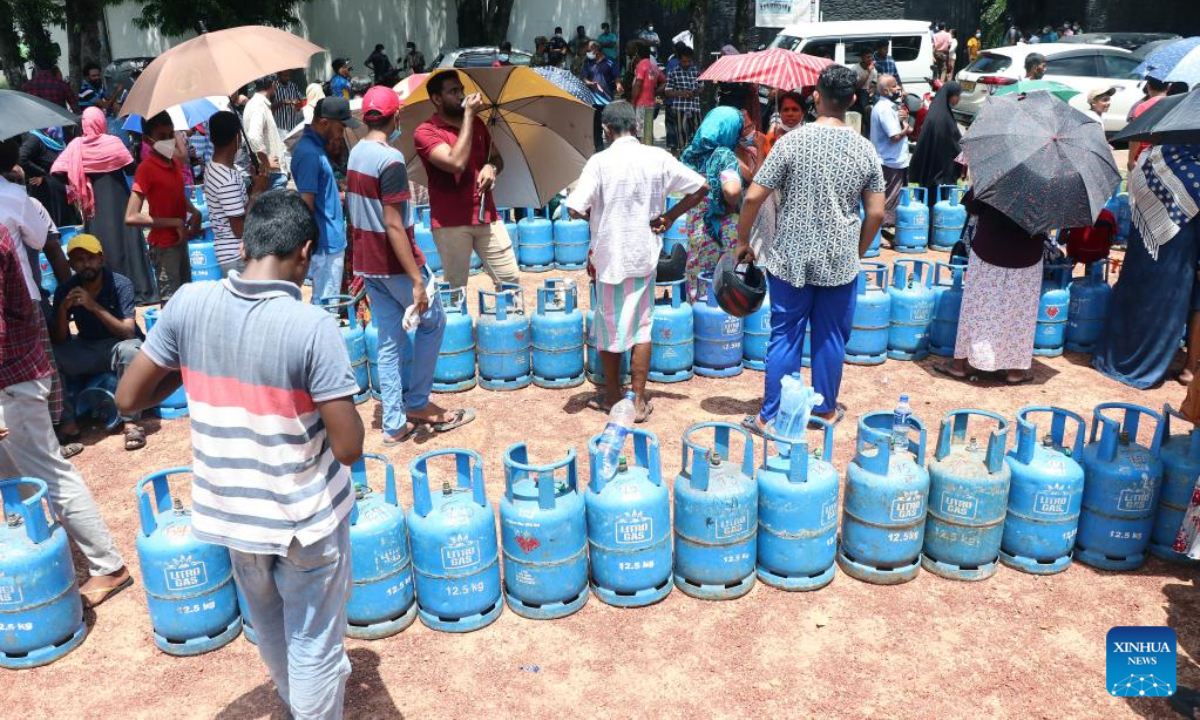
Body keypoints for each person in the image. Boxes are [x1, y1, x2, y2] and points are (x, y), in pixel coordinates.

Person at [115, 189, 364, 720]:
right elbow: (349, 447)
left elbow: (128, 398)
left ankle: (301, 703)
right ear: (304, 252)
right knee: (315, 643)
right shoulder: (311, 326)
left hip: (233, 516)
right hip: (304, 520)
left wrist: (191, 368)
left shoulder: (189, 302)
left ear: (247, 243)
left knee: (271, 627)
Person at [736, 64, 886, 431]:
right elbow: (877, 212)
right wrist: (858, 252)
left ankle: (770, 417)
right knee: (831, 336)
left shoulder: (790, 142)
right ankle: (824, 410)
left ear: (816, 96)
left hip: (790, 258)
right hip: (840, 260)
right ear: (852, 101)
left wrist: (743, 240)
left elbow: (753, 196)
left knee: (785, 335)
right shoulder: (865, 149)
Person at [0, 224, 132, 607]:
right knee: (13, 480)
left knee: (48, 474)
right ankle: (35, 561)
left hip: (12, 380)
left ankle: (108, 565)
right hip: (16, 375)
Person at [566, 101, 707, 419]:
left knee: (610, 328)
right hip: (645, 254)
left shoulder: (599, 162)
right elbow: (701, 187)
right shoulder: (657, 157)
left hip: (611, 258)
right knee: (642, 327)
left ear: (607, 130)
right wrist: (669, 216)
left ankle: (614, 397)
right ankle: (639, 400)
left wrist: (590, 210)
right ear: (634, 126)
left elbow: (575, 206)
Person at [349, 86, 474, 444]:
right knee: (434, 321)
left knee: (389, 341)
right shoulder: (390, 161)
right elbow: (392, 224)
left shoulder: (356, 153)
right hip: (393, 264)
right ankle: (417, 401)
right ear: (396, 117)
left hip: (367, 263)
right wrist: (417, 279)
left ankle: (393, 424)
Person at [1094, 145, 1200, 390]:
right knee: (1169, 307)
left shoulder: (1152, 157)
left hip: (1143, 246)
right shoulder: (1195, 172)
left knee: (1135, 301)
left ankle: (1116, 357)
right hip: (1177, 253)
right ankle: (1180, 369)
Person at [413, 71, 519, 291]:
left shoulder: (479, 125)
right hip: (450, 222)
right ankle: (455, 326)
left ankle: (509, 322)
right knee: (455, 289)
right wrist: (469, 116)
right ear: (437, 99)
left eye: (461, 89)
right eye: (453, 91)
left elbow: (497, 158)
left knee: (510, 279)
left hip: (486, 216)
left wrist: (492, 167)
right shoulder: (426, 132)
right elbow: (455, 163)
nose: (461, 95)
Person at [937, 190, 1046, 384]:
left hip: (990, 251)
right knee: (1020, 313)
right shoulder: (1051, 186)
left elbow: (972, 207)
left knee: (977, 308)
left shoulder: (995, 174)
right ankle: (1015, 372)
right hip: (1027, 255)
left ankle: (959, 365)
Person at [50, 233, 147, 449]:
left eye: (91, 258)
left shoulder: (120, 284)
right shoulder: (66, 289)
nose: (86, 264)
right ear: (70, 264)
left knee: (132, 350)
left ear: (101, 259)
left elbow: (128, 333)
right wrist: (63, 311)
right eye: (79, 259)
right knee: (51, 356)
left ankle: (131, 422)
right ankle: (68, 424)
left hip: (117, 344)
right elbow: (60, 339)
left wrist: (93, 306)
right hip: (88, 346)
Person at [53, 107, 157, 304]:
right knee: (128, 243)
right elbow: (131, 168)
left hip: (94, 205)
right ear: (101, 122)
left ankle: (107, 294)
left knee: (99, 246)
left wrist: (78, 180)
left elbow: (57, 171)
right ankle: (139, 291)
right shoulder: (113, 143)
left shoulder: (77, 147)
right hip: (119, 200)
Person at [127, 111, 202, 302]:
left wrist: (193, 211)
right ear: (147, 139)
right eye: (162, 137)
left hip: (180, 240)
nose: (168, 141)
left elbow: (177, 194)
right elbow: (131, 217)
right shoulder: (146, 169)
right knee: (172, 303)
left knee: (187, 299)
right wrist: (174, 222)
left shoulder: (173, 163)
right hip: (163, 246)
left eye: (171, 135)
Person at [293, 96, 357, 303]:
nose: (343, 131)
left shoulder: (315, 149)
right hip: (325, 244)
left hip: (329, 239)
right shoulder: (310, 153)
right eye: (341, 126)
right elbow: (306, 205)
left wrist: (335, 186)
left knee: (327, 302)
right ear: (324, 123)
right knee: (327, 306)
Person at [680, 107, 745, 298]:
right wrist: (731, 201)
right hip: (722, 230)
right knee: (725, 284)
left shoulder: (690, 153)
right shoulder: (724, 155)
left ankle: (699, 321)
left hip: (696, 226)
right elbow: (731, 191)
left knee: (699, 280)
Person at [205, 111, 270, 277]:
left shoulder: (216, 168)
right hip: (236, 255)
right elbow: (239, 228)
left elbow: (237, 206)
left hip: (230, 253)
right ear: (237, 138)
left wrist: (253, 185)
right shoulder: (226, 178)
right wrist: (256, 191)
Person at [909, 82, 963, 209]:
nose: (959, 98)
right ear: (950, 95)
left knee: (931, 200)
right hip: (940, 170)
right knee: (938, 204)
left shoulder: (938, 112)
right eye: (958, 95)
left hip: (932, 168)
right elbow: (952, 143)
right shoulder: (942, 117)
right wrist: (963, 159)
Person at [870, 75, 912, 228]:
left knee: (893, 197)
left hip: (895, 160)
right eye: (894, 86)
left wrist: (905, 120)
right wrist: (905, 130)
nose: (898, 88)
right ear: (885, 90)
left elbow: (904, 125)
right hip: (889, 161)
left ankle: (884, 229)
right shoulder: (884, 108)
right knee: (887, 198)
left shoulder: (891, 105)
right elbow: (894, 136)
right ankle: (878, 232)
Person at [20, 128, 79, 227]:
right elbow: (21, 158)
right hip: (47, 193)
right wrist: (41, 173)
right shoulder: (35, 138)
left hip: (60, 192)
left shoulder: (56, 141)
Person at [243, 75, 289, 189]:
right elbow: (253, 137)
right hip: (271, 175)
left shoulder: (256, 103)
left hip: (268, 173)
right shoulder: (259, 105)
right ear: (273, 84)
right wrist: (267, 162)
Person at [1127, 78, 1170, 171]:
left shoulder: (1142, 107)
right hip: (1168, 157)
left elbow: (1136, 137)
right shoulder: (1176, 105)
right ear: (1168, 87)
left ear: (1148, 86)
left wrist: (1130, 160)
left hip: (1144, 158)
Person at [665, 46, 701, 152]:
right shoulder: (673, 72)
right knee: (681, 135)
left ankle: (696, 156)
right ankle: (682, 156)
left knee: (697, 133)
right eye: (684, 61)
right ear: (679, 60)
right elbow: (667, 92)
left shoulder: (695, 71)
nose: (687, 64)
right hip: (680, 108)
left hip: (695, 107)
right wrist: (681, 93)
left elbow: (702, 86)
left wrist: (696, 92)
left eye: (689, 61)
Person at [631, 43, 664, 146]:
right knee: (649, 130)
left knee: (640, 132)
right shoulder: (653, 66)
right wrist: (656, 91)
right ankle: (650, 151)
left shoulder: (641, 65)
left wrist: (633, 100)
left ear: (637, 53)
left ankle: (642, 154)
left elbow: (638, 83)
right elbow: (664, 81)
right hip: (651, 103)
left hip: (641, 103)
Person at [273, 69, 304, 138]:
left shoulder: (293, 86)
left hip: (292, 125)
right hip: (279, 127)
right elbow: (271, 107)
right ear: (279, 75)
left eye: (288, 76)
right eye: (285, 76)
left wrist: (297, 103)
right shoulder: (274, 87)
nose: (287, 78)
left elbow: (300, 101)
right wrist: (282, 102)